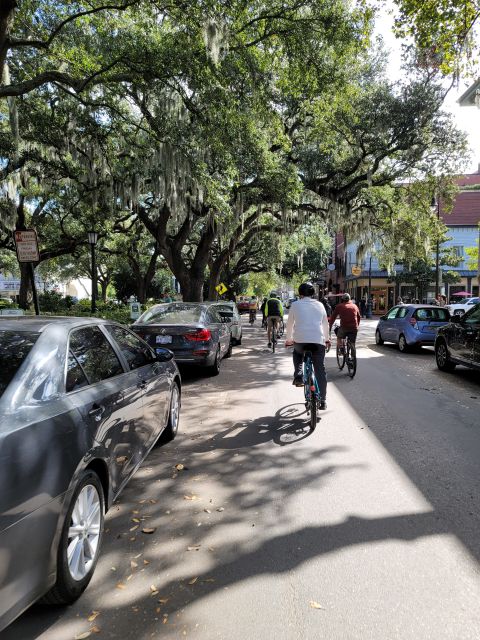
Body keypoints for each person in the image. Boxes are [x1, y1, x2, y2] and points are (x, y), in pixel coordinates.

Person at [285, 282, 330, 410]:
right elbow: (325, 324)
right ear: (313, 293)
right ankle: (323, 401)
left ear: (300, 293)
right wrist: (326, 339)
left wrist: (289, 340)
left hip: (300, 341)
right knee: (320, 370)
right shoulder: (320, 305)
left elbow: (289, 325)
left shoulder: (295, 304)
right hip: (318, 341)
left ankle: (298, 375)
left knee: (297, 353)